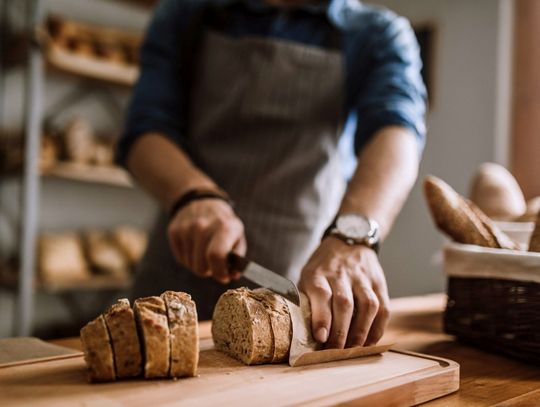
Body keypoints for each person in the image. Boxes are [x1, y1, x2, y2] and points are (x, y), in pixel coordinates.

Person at [117, 0, 426, 350]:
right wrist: (193, 194)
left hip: (298, 283)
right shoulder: (186, 14)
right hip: (179, 266)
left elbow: (396, 134)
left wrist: (354, 236)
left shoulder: (376, 35)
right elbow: (145, 131)